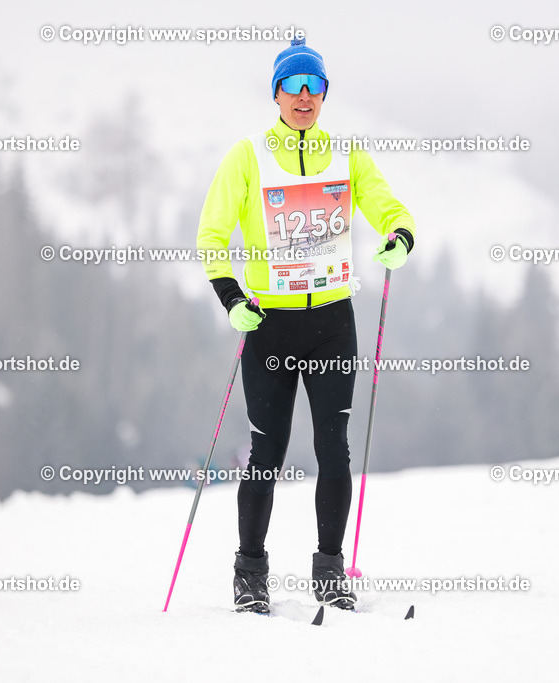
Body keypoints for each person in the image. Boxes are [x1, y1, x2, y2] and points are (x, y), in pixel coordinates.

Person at [196, 39, 416, 612]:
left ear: (323, 95)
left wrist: (399, 236)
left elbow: (389, 208)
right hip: (269, 325)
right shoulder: (247, 156)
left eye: (313, 87)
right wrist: (230, 296)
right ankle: (250, 573)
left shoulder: (347, 155)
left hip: (330, 325)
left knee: (334, 450)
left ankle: (329, 571)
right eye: (292, 87)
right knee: (266, 451)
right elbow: (212, 236)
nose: (303, 97)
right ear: (275, 94)